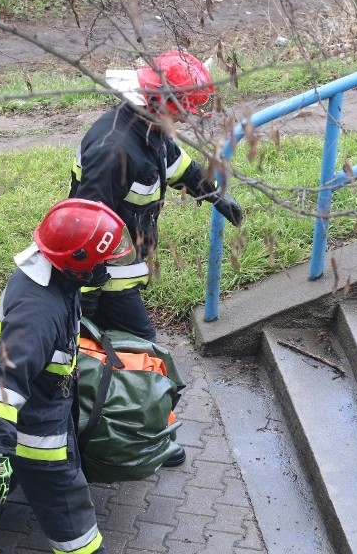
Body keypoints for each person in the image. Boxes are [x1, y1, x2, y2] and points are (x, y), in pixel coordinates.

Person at [69, 49, 243, 466]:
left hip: (118, 272)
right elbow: (87, 226)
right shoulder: (113, 151)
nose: (185, 119)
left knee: (107, 356)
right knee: (147, 355)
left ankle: (113, 430)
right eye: (184, 109)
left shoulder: (147, 131)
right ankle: (152, 437)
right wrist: (88, 292)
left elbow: (175, 164)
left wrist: (211, 192)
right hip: (103, 278)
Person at [0, 198, 136, 554]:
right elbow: (4, 381)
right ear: (76, 265)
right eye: (101, 263)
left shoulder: (48, 275)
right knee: (65, 504)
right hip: (35, 431)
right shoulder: (39, 313)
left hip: (22, 418)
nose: (107, 269)